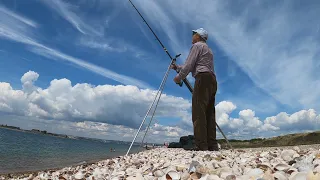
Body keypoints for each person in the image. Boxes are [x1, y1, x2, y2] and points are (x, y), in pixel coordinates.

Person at [171, 28, 219, 151]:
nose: (192, 36)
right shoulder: (208, 50)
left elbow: (189, 65)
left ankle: (201, 145)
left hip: (202, 78)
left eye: (193, 34)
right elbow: (196, 65)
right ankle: (212, 145)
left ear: (198, 36)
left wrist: (178, 77)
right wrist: (177, 67)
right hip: (212, 80)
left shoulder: (197, 46)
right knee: (209, 112)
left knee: (198, 112)